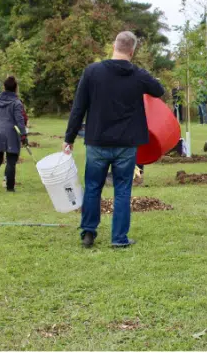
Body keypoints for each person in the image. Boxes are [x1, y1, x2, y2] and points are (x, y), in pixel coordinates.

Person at [63, 31, 165, 248]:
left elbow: (78, 107)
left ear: (113, 45)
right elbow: (159, 90)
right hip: (126, 145)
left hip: (97, 141)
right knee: (122, 190)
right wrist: (142, 74)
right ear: (132, 50)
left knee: (92, 188)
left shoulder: (92, 72)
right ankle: (119, 238)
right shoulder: (138, 74)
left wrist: (69, 137)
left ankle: (88, 233)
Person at [0, 76, 27, 193]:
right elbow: (19, 120)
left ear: (4, 87)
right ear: (16, 88)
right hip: (11, 134)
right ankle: (10, 187)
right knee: (11, 161)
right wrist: (24, 136)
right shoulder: (16, 102)